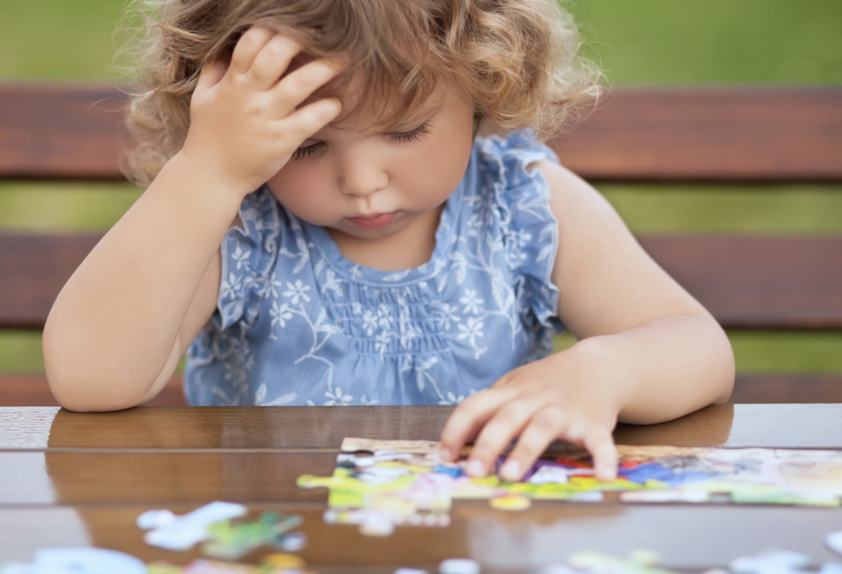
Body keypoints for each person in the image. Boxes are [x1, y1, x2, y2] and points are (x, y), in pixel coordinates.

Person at [43, 0, 735, 483]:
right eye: (306, 145)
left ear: (483, 82)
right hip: (279, 542)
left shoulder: (522, 205)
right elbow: (90, 378)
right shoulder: (240, 220)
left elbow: (697, 345)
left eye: (405, 131)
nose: (363, 182)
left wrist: (605, 372)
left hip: (481, 539)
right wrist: (207, 172)